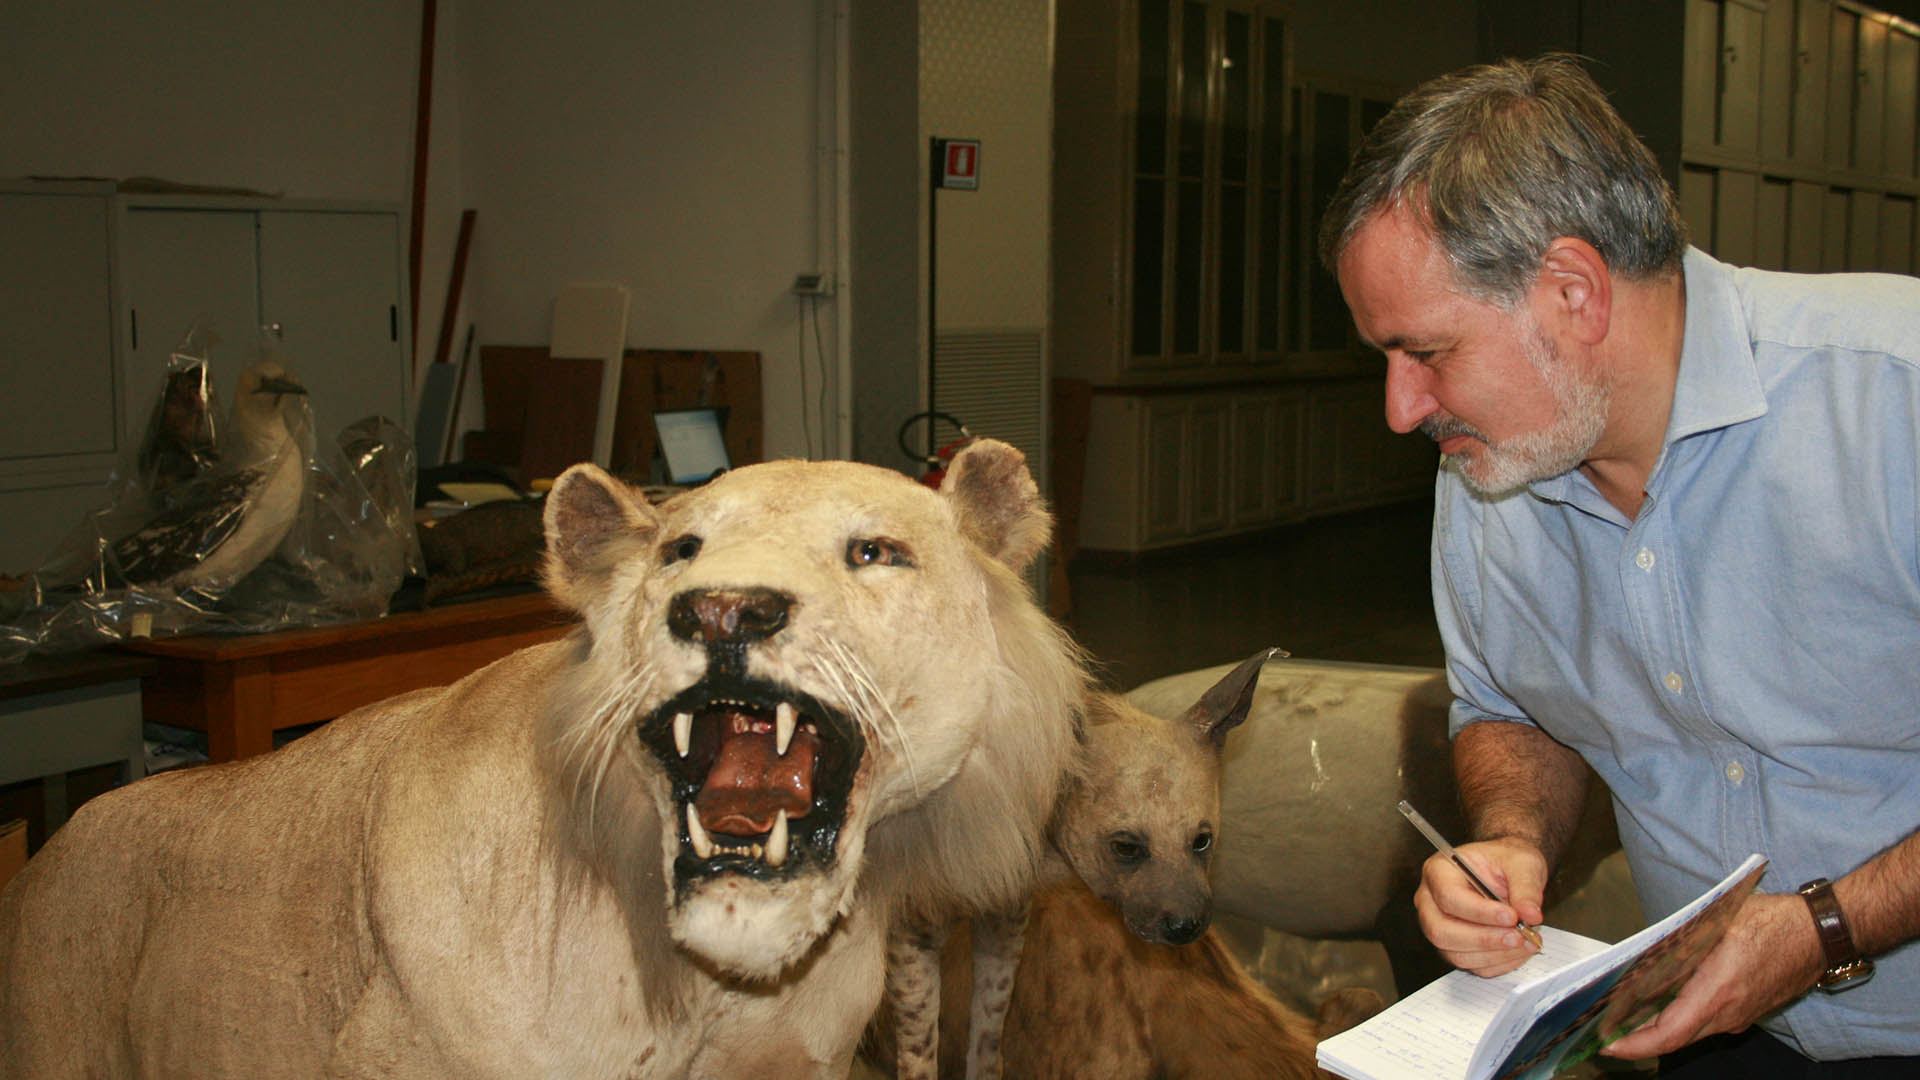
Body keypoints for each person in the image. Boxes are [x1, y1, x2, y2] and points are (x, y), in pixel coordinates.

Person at [1317, 53, 1920, 1076]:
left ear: (1572, 292)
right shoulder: (1489, 476)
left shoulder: (1892, 399)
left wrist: (1827, 926)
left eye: (1427, 353)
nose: (1402, 409)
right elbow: (1510, 707)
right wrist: (1513, 838)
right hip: (1719, 1032)